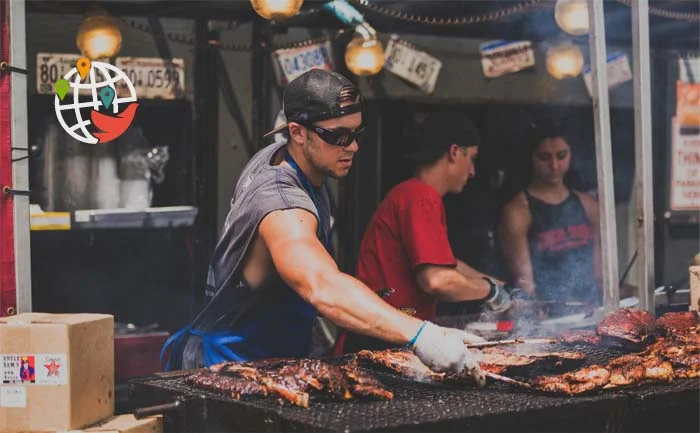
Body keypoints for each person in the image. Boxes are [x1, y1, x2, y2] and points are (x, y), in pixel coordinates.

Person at [160, 70, 485, 385]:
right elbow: (322, 285)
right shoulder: (282, 203)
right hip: (229, 365)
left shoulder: (288, 155)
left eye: (356, 134)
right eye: (338, 136)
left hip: (273, 359)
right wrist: (421, 334)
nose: (353, 146)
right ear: (298, 132)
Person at [335, 112, 514, 354]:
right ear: (454, 152)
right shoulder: (421, 198)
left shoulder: (412, 194)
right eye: (471, 158)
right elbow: (438, 280)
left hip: (386, 335)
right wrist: (491, 292)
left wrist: (502, 286)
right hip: (381, 342)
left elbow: (448, 265)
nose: (472, 171)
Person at [499, 124, 601, 317]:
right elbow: (524, 282)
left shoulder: (588, 204)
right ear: (531, 157)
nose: (554, 166)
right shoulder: (518, 210)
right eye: (544, 158)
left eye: (561, 156)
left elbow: (599, 273)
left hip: (590, 312)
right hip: (548, 318)